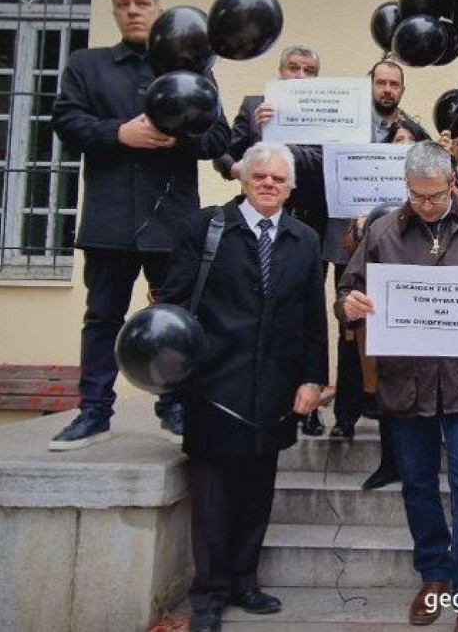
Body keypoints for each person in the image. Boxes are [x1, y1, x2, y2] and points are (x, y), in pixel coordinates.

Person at [338, 141, 458, 632]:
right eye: (416, 196)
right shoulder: (383, 231)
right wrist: (351, 306)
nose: (425, 205)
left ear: (452, 183)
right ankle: (433, 575)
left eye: (434, 195)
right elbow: (347, 290)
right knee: (419, 484)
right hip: (408, 381)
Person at [48, 0, 229, 451]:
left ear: (158, 8)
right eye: (124, 3)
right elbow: (66, 119)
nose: (133, 10)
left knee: (174, 317)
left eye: (142, 2)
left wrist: (180, 135)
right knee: (102, 317)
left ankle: (174, 407)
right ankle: (93, 412)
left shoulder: (191, 72)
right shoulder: (89, 65)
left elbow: (219, 139)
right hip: (109, 219)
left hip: (172, 222)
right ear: (114, 11)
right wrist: (117, 133)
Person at [155, 143, 327, 632]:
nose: (269, 184)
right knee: (212, 496)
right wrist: (173, 380)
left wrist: (313, 378)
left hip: (274, 388)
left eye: (278, 178)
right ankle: (207, 597)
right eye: (261, 176)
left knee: (257, 491)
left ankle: (244, 581)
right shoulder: (206, 229)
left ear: (291, 187)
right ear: (244, 179)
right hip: (212, 384)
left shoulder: (305, 239)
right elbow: (174, 304)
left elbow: (314, 317)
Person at [211, 45, 327, 436]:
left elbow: (326, 162)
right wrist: (254, 145)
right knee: (253, 309)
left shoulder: (327, 109)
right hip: (254, 224)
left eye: (308, 70)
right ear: (279, 73)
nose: (299, 75)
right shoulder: (253, 104)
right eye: (292, 68)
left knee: (304, 313)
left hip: (307, 224)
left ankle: (307, 402)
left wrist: (281, 151)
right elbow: (224, 154)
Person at [326, 58, 430, 440]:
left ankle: (389, 413)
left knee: (395, 332)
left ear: (402, 90)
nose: (387, 89)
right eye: (381, 83)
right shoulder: (346, 129)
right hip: (351, 247)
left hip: (402, 254)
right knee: (351, 328)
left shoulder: (417, 133)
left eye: (394, 84)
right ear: (369, 85)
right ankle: (345, 415)